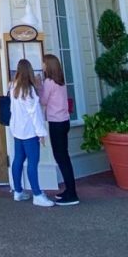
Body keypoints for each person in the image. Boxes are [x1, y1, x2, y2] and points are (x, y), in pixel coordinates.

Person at [7, 58, 53, 207]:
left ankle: (18, 191)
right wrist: (41, 133)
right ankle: (37, 194)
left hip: (17, 130)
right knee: (33, 162)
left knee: (17, 160)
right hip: (29, 132)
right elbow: (35, 114)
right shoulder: (29, 90)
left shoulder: (13, 87)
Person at [39, 54, 78, 205]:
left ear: (48, 66)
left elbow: (43, 100)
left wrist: (38, 87)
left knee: (61, 158)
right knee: (64, 157)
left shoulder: (49, 82)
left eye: (43, 63)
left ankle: (72, 194)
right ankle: (69, 190)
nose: (42, 66)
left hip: (56, 123)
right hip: (64, 121)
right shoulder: (60, 82)